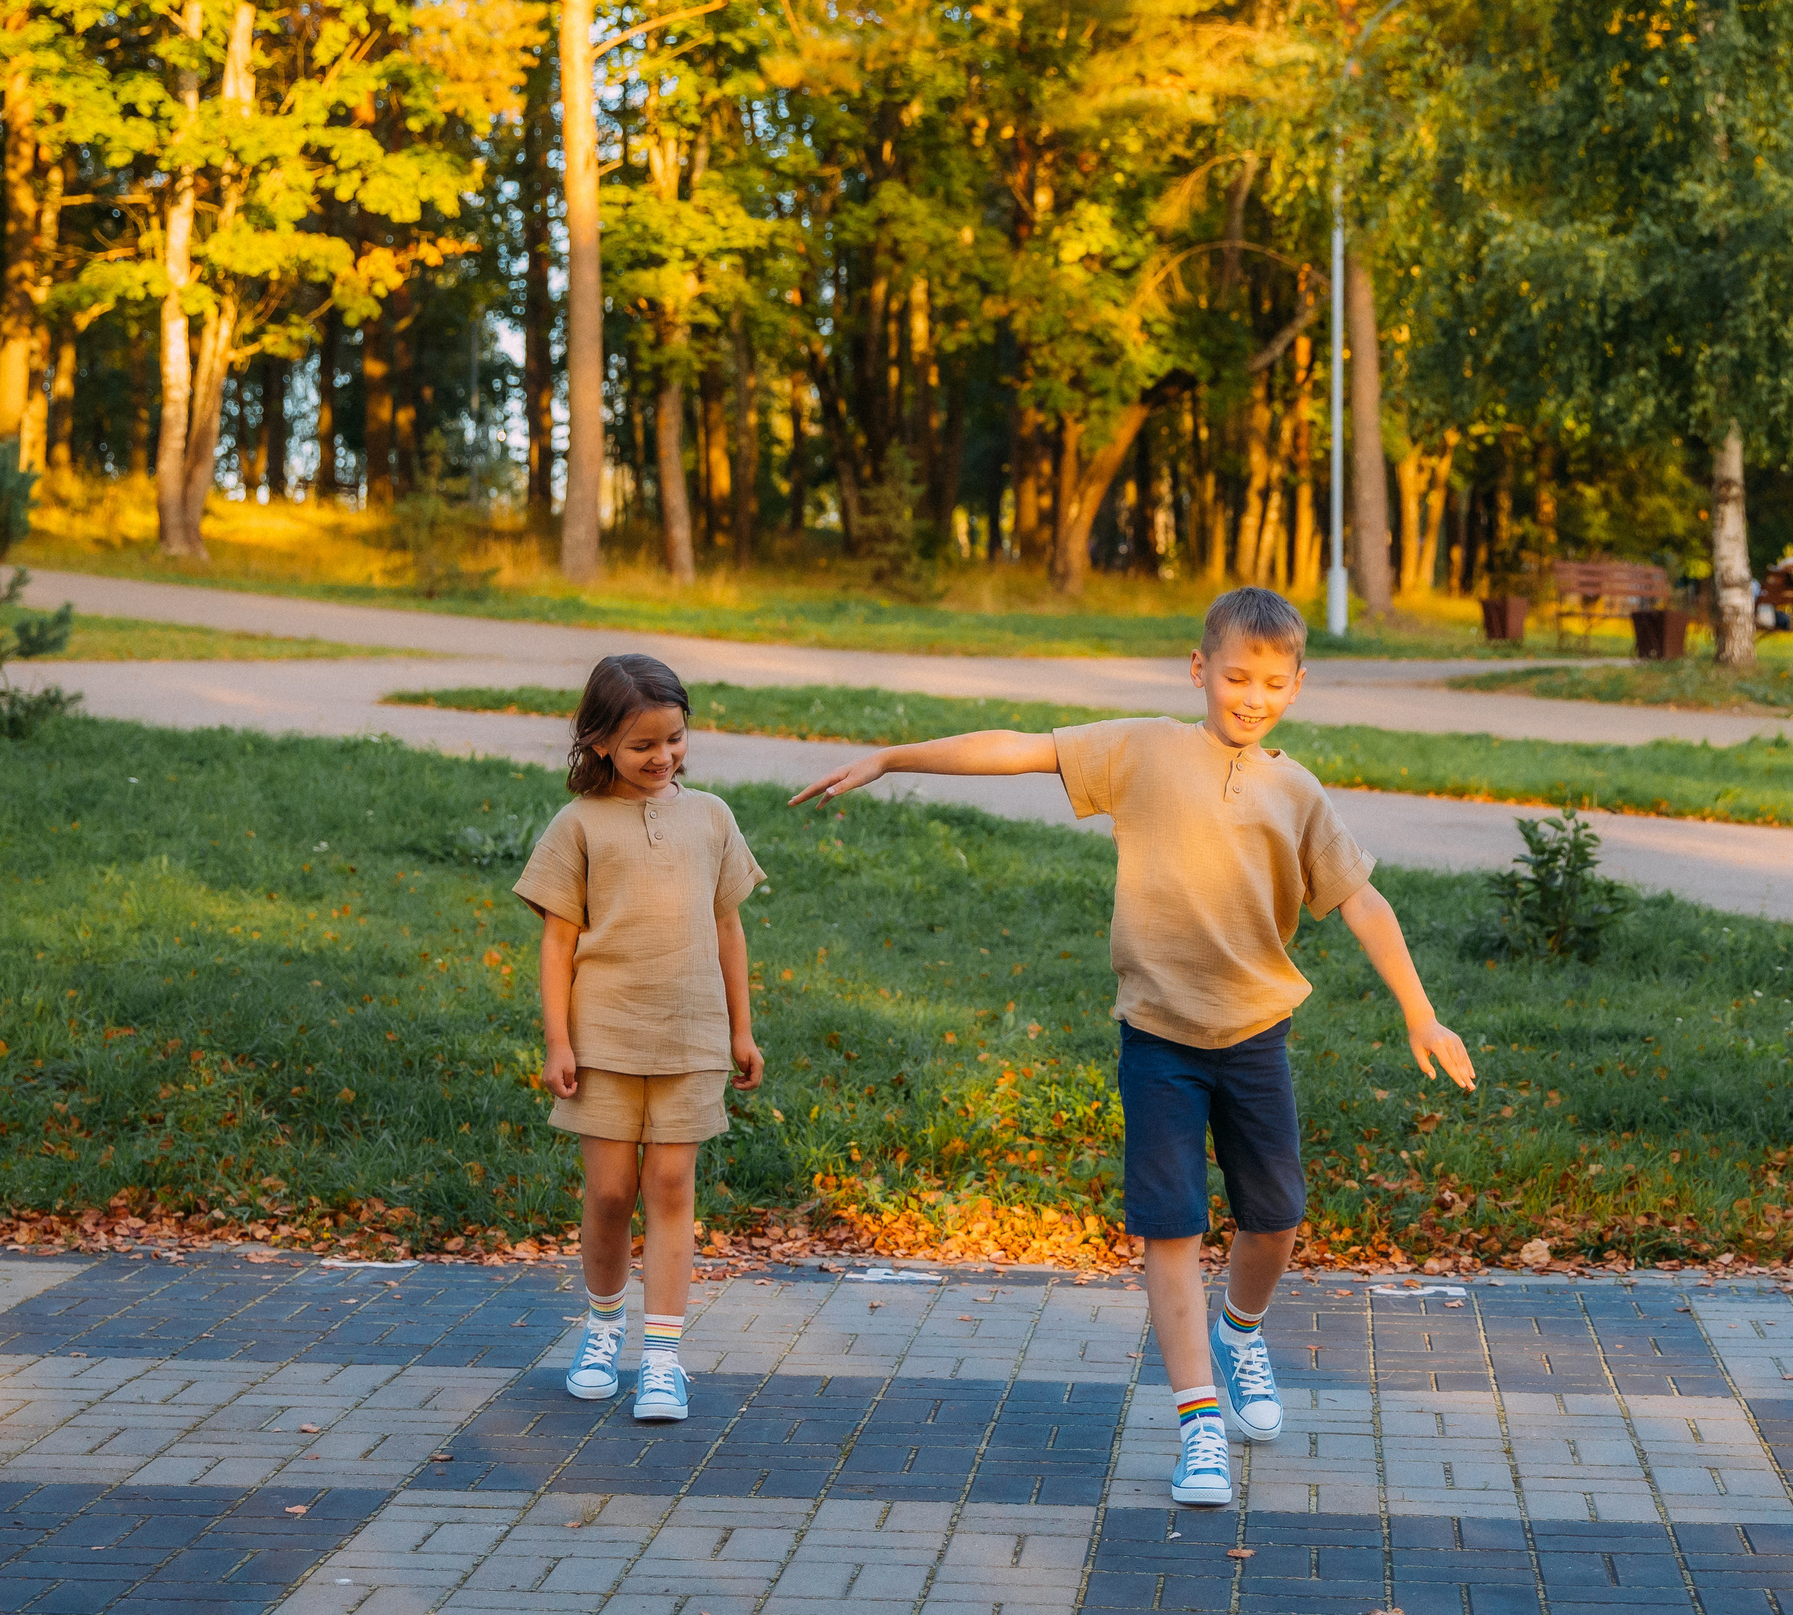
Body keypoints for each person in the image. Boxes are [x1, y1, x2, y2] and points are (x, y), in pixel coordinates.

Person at [789, 586, 1475, 1506]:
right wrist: (891, 756)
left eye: (1273, 682)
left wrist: (1419, 1010)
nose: (1252, 695)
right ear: (1200, 670)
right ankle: (1199, 1425)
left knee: (1275, 1217)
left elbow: (1362, 900)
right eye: (1236, 675)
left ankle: (1239, 1334)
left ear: (1298, 686)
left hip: (1256, 1037)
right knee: (1171, 1227)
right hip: (1158, 1038)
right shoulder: (1144, 750)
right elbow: (1021, 748)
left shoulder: (1296, 790)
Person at [515, 654, 766, 1423]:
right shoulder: (580, 825)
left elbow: (729, 926)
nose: (663, 758)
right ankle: (600, 1332)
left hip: (692, 1037)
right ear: (597, 744)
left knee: (669, 1188)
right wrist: (558, 1040)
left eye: (675, 739)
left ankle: (662, 1358)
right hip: (605, 1039)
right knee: (611, 1191)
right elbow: (558, 942)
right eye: (642, 745)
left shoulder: (713, 817)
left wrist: (743, 1029)